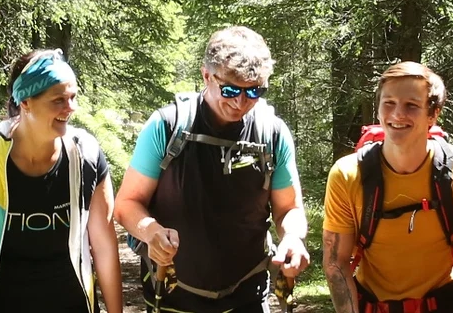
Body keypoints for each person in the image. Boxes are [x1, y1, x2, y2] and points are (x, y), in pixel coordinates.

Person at [115, 26, 311, 312]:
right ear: (206, 75)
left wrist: (293, 237)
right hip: (172, 295)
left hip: (248, 294)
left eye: (254, 90)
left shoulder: (272, 133)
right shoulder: (167, 126)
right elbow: (126, 204)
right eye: (230, 89)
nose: (240, 102)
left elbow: (289, 208)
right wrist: (150, 231)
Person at [0, 50, 123, 313]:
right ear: (26, 102)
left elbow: (105, 247)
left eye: (73, 97)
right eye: (59, 100)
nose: (71, 108)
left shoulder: (86, 154)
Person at [320, 62, 453, 313]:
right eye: (389, 103)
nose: (397, 114)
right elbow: (336, 264)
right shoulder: (347, 175)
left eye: (411, 105)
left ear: (433, 114)